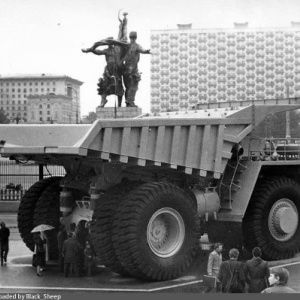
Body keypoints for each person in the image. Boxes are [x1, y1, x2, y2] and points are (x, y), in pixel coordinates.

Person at [82, 39, 124, 108]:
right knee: (104, 87)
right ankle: (103, 101)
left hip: (116, 70)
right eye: (109, 42)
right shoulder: (106, 50)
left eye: (112, 42)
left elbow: (123, 52)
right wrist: (91, 50)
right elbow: (98, 52)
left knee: (119, 87)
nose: (110, 44)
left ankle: (119, 104)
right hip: (108, 70)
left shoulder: (117, 50)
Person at [122, 31, 151, 107]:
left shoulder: (127, 45)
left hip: (128, 69)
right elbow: (142, 50)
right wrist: (146, 51)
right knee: (132, 86)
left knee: (129, 87)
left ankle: (128, 101)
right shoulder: (133, 46)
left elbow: (142, 50)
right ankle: (130, 101)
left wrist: (146, 51)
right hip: (131, 69)